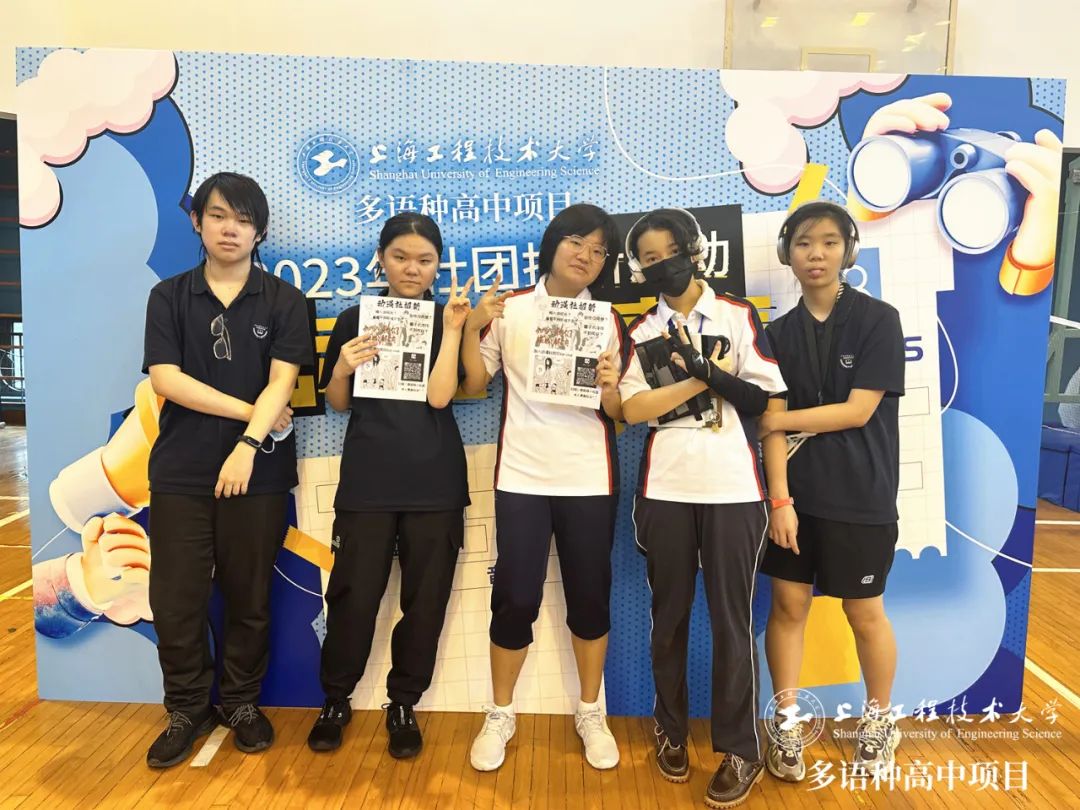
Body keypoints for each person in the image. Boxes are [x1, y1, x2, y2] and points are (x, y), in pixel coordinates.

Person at [618, 207, 787, 808]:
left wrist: (704, 370)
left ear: (695, 251)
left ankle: (741, 748)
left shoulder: (737, 315)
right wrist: (700, 378)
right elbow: (631, 409)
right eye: (650, 258)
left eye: (672, 252)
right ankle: (670, 728)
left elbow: (766, 400)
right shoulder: (641, 331)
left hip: (734, 491)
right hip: (665, 489)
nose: (663, 264)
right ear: (640, 269)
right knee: (668, 619)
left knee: (731, 622)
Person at [142, 172, 311, 768]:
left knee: (249, 594)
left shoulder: (285, 301)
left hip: (257, 473)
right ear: (197, 222)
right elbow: (167, 380)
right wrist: (250, 416)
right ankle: (187, 708)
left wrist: (247, 445)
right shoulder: (168, 297)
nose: (230, 229)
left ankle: (239, 702)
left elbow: (283, 382)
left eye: (243, 219)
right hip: (181, 471)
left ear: (259, 231)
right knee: (176, 599)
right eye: (217, 216)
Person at [461, 204, 628, 773]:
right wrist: (471, 326)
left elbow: (619, 412)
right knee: (516, 596)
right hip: (523, 477)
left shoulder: (606, 319)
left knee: (589, 595)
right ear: (553, 245)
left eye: (599, 250)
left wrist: (610, 389)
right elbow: (474, 384)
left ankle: (591, 711)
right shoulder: (510, 309)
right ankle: (500, 712)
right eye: (577, 242)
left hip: (589, 476)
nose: (586, 255)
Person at [306, 212, 472, 758]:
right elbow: (338, 403)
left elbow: (442, 397)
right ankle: (336, 699)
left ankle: (403, 702)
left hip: (435, 482)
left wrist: (453, 330)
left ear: (437, 266)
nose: (411, 268)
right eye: (400, 257)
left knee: (425, 601)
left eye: (425, 260)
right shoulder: (356, 318)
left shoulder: (449, 318)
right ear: (381, 259)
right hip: (369, 481)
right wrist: (341, 368)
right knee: (353, 597)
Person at [758, 200, 905, 781]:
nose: (815, 254)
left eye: (828, 242)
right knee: (787, 607)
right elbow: (769, 427)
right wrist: (780, 501)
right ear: (787, 254)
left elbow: (858, 410)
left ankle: (879, 721)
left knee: (864, 612)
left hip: (863, 494)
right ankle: (786, 724)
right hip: (796, 502)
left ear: (848, 250)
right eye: (802, 243)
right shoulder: (775, 334)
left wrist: (780, 420)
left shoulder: (878, 320)